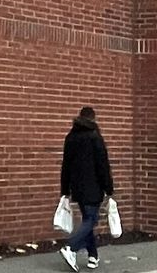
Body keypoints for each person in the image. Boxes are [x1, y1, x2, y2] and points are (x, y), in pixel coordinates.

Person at [58, 106, 115, 270]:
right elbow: (102, 165)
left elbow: (66, 165)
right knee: (91, 220)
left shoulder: (70, 137)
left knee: (87, 220)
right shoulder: (95, 137)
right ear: (93, 118)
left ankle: (93, 257)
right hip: (93, 187)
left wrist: (65, 190)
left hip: (77, 187)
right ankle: (71, 247)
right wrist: (109, 189)